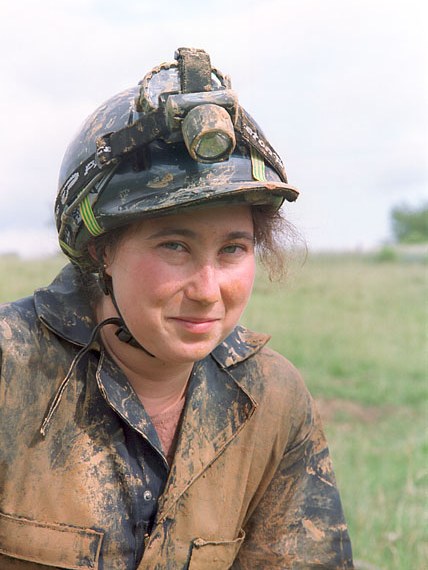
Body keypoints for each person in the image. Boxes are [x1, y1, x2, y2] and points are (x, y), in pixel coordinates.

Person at [0, 47, 354, 569]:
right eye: (174, 246)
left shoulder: (271, 398)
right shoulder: (11, 370)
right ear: (101, 250)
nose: (208, 290)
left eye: (233, 249)